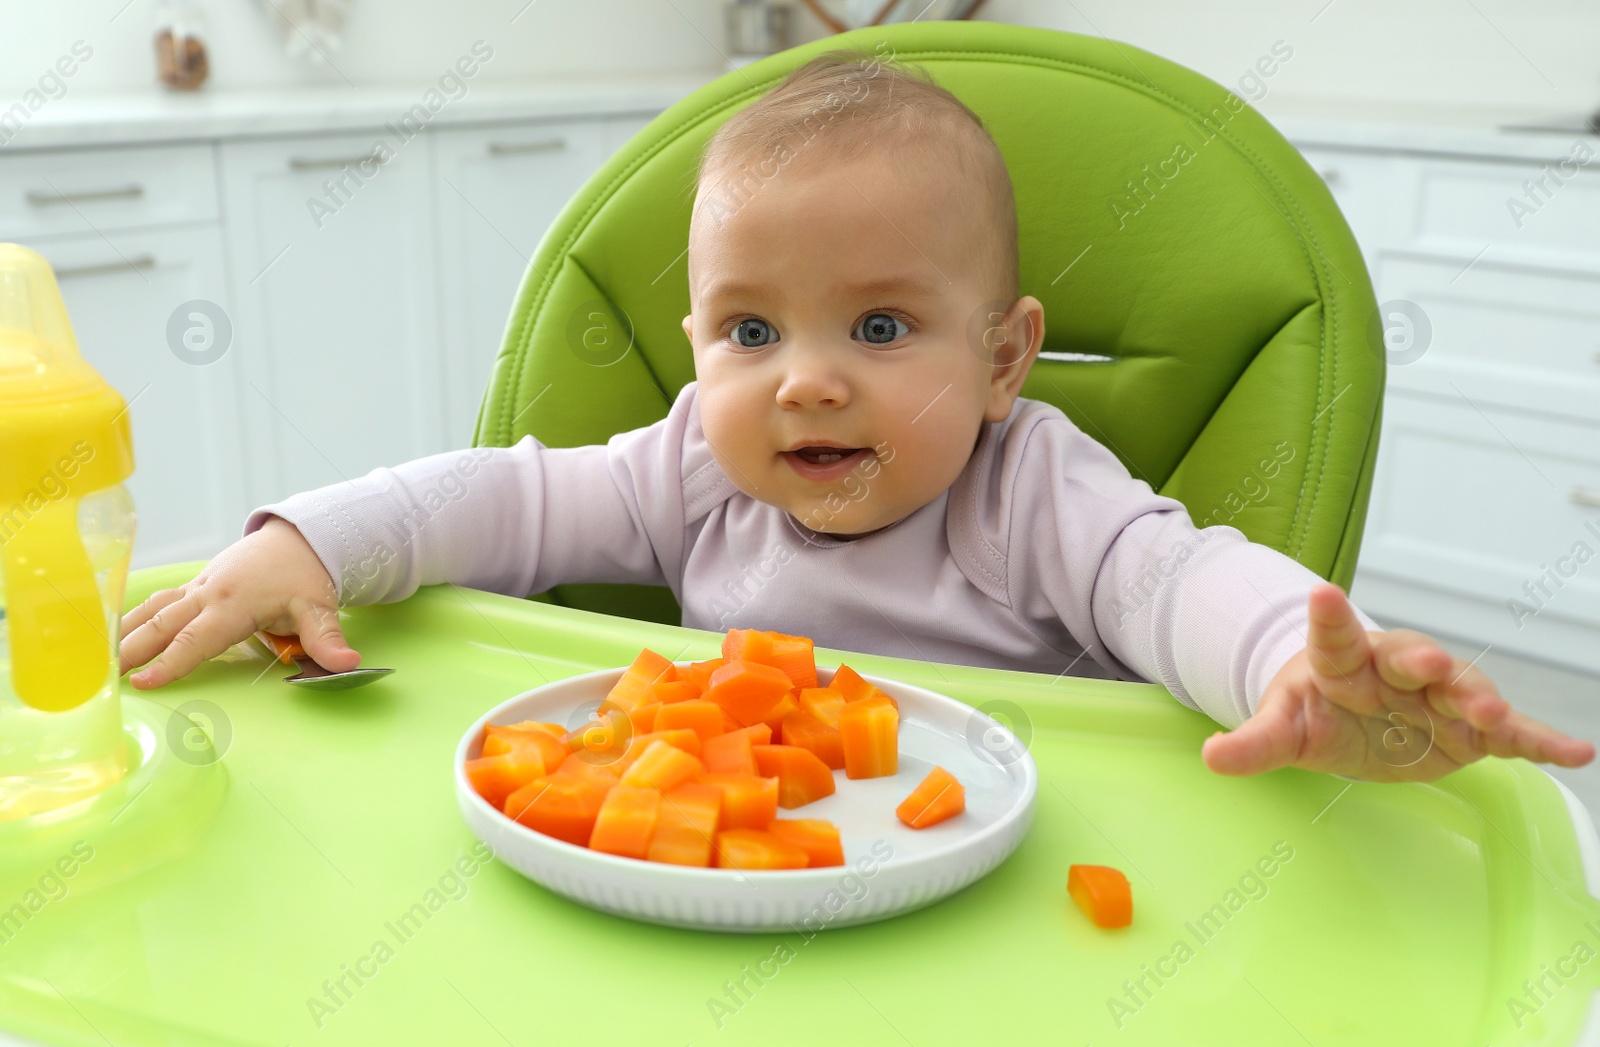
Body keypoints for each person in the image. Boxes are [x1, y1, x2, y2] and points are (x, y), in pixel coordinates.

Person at [118, 49, 1593, 784]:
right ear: (696, 347)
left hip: (1006, 869)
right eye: (750, 331)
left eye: (880, 329)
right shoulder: (696, 464)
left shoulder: (1027, 494)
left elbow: (1178, 582)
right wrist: (308, 542)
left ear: (1007, 360)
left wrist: (1292, 661)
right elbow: (495, 499)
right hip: (724, 867)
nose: (804, 381)